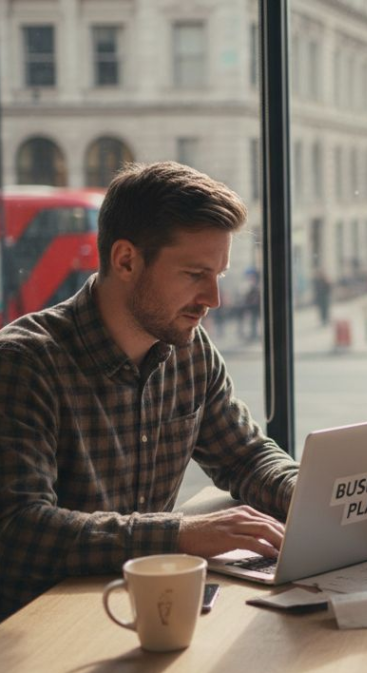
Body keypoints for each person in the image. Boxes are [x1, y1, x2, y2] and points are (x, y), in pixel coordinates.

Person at [0, 161, 296, 621]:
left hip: (140, 609)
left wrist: (308, 496)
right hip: (39, 623)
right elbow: (18, 528)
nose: (214, 299)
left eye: (219, 274)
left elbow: (246, 457)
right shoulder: (24, 363)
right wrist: (180, 533)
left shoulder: (189, 351)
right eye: (195, 274)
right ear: (126, 260)